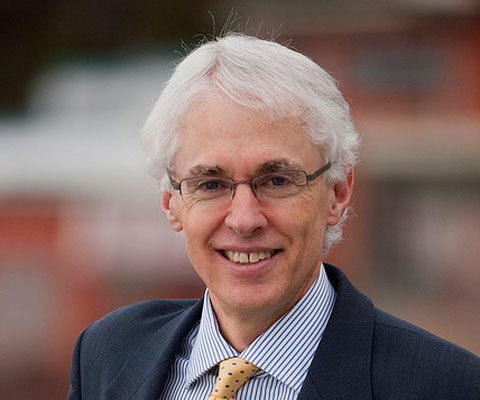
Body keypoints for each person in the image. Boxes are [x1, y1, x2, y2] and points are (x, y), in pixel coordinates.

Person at [67, 34, 480, 400]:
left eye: (278, 180)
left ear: (338, 191)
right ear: (170, 201)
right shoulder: (107, 355)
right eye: (210, 184)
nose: (245, 219)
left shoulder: (447, 385)